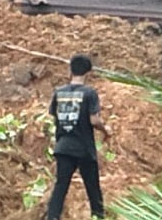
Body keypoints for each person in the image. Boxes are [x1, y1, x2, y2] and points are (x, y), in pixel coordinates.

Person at [46, 54, 111, 220]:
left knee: (60, 186)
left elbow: (55, 116)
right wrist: (105, 131)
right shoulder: (89, 93)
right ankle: (98, 217)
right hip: (83, 148)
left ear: (71, 70)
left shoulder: (58, 92)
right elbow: (94, 119)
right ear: (88, 73)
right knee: (93, 188)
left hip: (63, 146)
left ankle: (52, 217)